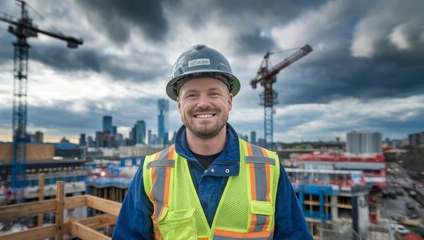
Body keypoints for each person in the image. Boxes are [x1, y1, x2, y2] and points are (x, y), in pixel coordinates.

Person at [113, 45, 313, 239]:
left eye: (213, 93)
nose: (203, 103)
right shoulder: (152, 171)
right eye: (192, 95)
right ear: (179, 105)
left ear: (229, 101)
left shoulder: (269, 168)